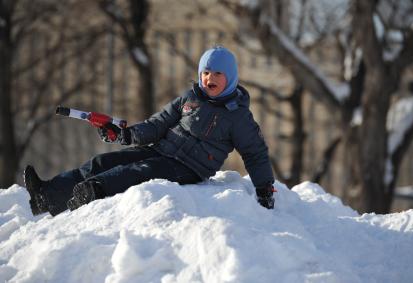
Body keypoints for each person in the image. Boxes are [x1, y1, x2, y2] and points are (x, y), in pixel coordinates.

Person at [24, 46, 276, 216]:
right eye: (205, 72)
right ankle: (46, 196)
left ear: (230, 77)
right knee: (103, 161)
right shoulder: (190, 97)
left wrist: (264, 187)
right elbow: (158, 123)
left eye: (217, 73)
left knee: (136, 173)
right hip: (161, 150)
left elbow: (255, 153)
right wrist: (127, 135)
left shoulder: (238, 115)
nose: (209, 77)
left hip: (188, 168)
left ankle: (94, 191)